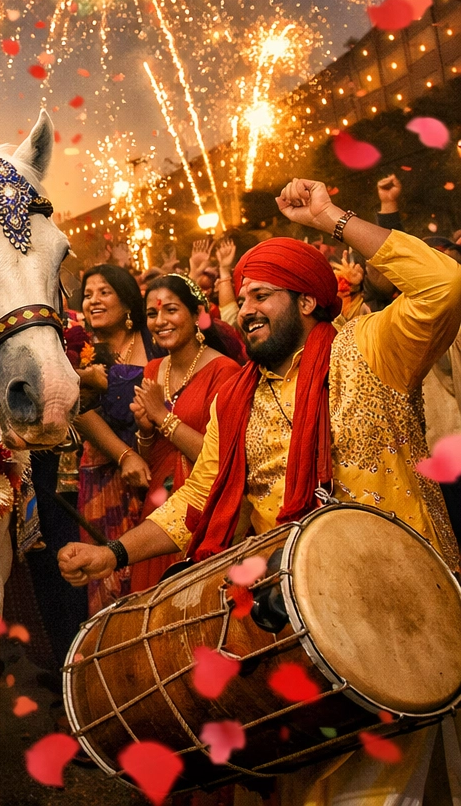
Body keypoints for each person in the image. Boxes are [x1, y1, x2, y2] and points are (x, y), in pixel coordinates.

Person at [60, 177, 461, 803]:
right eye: (240, 296)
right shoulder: (237, 401)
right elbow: (196, 501)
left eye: (262, 295)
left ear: (306, 301)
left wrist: (332, 217)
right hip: (302, 624)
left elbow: (446, 285)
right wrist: (112, 555)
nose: (243, 308)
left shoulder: (373, 349)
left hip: (402, 611)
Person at [125, 274, 240, 591]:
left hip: (203, 509)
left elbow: (221, 459)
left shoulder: (225, 372)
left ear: (198, 315)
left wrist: (162, 417)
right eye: (152, 314)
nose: (160, 321)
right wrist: (145, 429)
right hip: (160, 503)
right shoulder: (154, 369)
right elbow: (152, 457)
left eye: (170, 310)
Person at [72, 264, 156, 612]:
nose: (94, 300)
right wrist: (123, 456)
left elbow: (164, 394)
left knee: (154, 570)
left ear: (127, 302)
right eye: (88, 294)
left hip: (159, 467)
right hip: (104, 473)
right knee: (108, 580)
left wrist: (106, 381)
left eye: (104, 292)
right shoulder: (79, 353)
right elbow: (79, 411)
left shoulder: (153, 340)